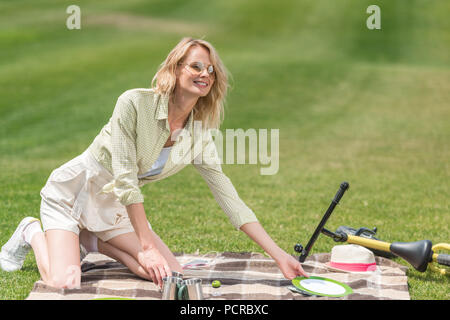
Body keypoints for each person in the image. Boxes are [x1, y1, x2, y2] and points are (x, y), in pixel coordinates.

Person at [0, 37, 308, 290]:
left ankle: (91, 239)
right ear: (175, 70)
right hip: (72, 194)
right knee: (63, 283)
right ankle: (31, 232)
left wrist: (278, 255)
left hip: (113, 209)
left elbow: (230, 199)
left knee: (170, 278)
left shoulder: (199, 134)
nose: (204, 74)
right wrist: (145, 247)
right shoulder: (133, 103)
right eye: (196, 66)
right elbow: (125, 179)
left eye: (210, 70)